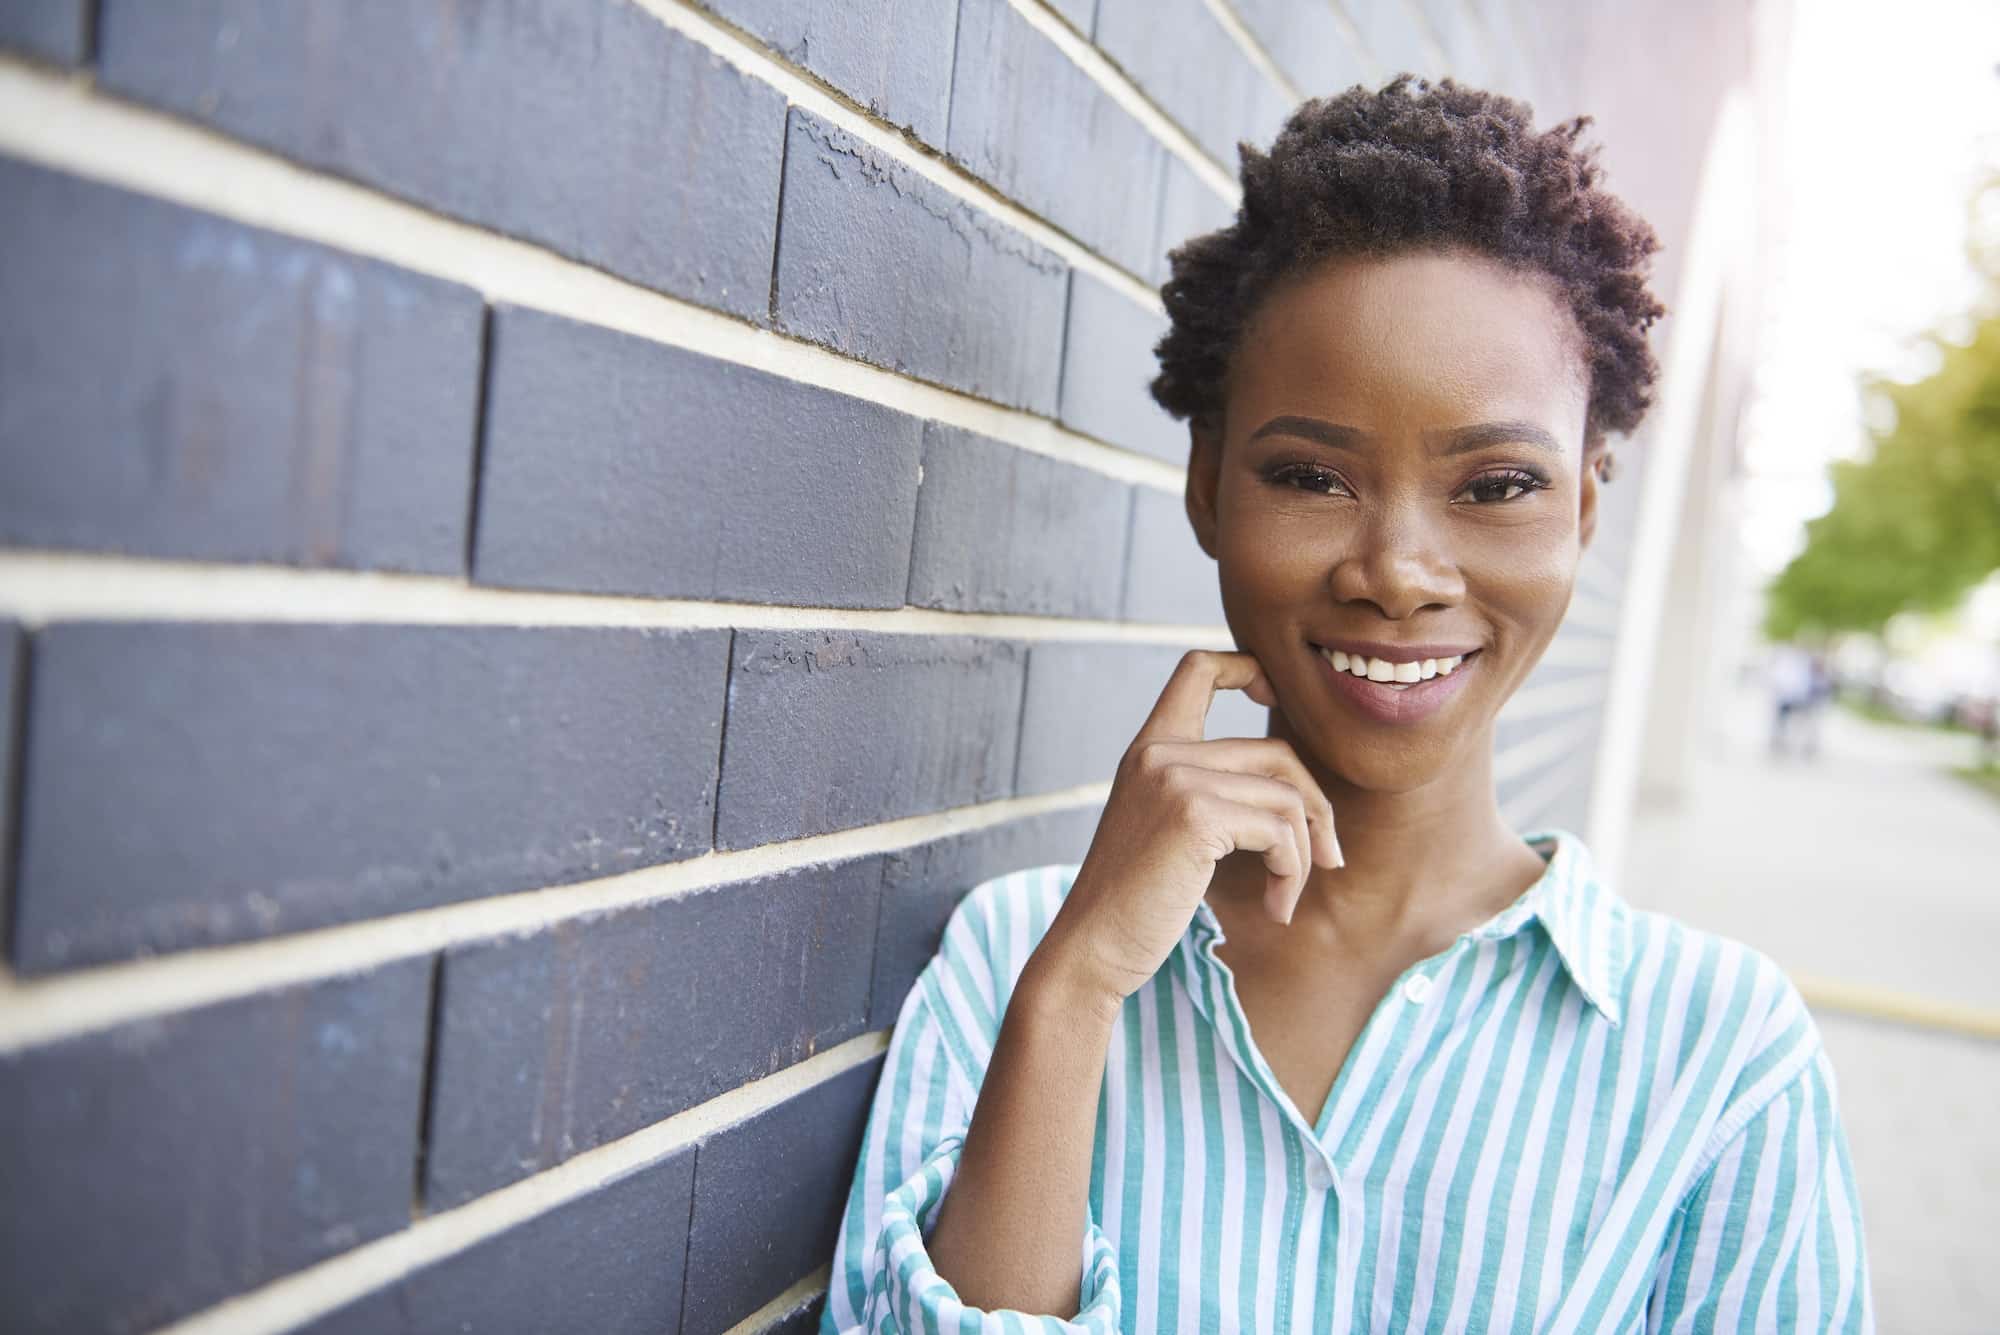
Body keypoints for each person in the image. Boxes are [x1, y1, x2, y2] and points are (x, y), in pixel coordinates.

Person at [821, 76, 1873, 1333]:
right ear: (1208, 488)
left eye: (1492, 486)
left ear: (1583, 512)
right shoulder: (1014, 964)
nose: (1397, 572)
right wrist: (1079, 992)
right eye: (1312, 475)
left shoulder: (1716, 1055)